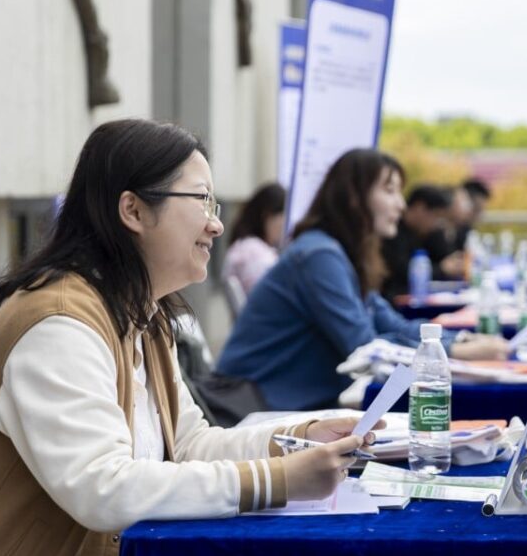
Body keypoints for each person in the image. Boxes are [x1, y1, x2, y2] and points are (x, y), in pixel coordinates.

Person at [0, 119, 376, 556]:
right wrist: (279, 481)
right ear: (133, 210)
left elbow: (190, 444)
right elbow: (103, 488)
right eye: (201, 202)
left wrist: (295, 440)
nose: (216, 223)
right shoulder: (57, 324)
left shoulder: (142, 316)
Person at [215, 148, 509, 412]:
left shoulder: (341, 253)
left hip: (290, 408)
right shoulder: (319, 255)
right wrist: (455, 352)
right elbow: (365, 348)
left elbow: (394, 325)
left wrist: (460, 340)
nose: (401, 205)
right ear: (354, 199)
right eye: (390, 190)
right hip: (254, 410)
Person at [381, 184, 452, 302]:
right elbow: (402, 271)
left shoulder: (417, 232)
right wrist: (442, 269)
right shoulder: (392, 231)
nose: (437, 224)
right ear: (419, 207)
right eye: (436, 216)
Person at [223, 181, 286, 295]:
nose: (286, 227)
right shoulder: (253, 251)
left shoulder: (246, 246)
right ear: (267, 215)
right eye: (283, 218)